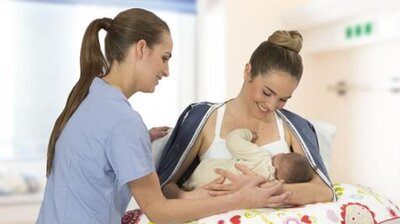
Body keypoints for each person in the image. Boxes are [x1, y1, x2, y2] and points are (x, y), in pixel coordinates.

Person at [36, 8, 290, 224]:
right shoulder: (123, 121)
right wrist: (240, 199)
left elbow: (96, 153)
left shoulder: (92, 98)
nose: (166, 71)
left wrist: (139, 142)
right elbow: (159, 211)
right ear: (141, 49)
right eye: (164, 58)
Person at [159, 30, 335, 205]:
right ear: (248, 71)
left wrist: (263, 189)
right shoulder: (205, 118)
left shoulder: (292, 127)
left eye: (283, 99)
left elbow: (323, 190)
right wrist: (190, 196)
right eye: (267, 92)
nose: (271, 106)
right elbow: (164, 186)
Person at [182, 128, 314, 190]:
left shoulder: (261, 157)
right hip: (215, 193)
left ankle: (185, 185)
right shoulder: (270, 187)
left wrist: (247, 133)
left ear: (279, 157)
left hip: (208, 173)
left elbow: (232, 141)